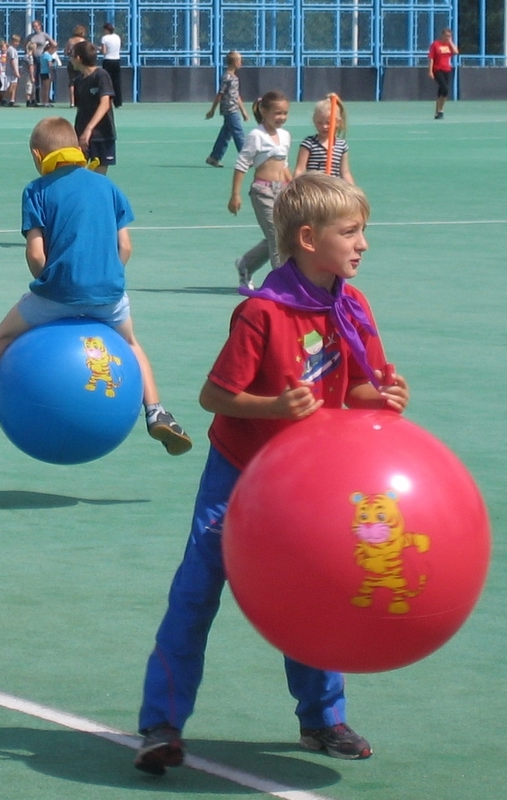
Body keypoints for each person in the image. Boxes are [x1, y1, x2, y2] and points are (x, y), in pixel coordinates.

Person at [134, 172, 410, 776]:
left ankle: (322, 720)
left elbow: (359, 387)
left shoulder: (351, 305)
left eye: (363, 231)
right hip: (237, 475)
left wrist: (381, 396)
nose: (362, 243)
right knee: (196, 593)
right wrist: (274, 408)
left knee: (315, 593)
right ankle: (162, 724)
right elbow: (213, 395)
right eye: (351, 232)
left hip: (309, 482)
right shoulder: (262, 313)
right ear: (308, 239)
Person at [0, 117, 192, 466]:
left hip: (56, 295)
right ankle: (157, 413)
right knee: (132, 344)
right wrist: (105, 277)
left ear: (37, 154)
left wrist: (53, 280)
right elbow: (126, 248)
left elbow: (35, 254)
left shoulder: (37, 190)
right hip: (109, 296)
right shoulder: (108, 187)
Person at [228, 90, 291, 290]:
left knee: (280, 235)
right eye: (277, 113)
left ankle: (246, 264)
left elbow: (284, 166)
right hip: (262, 191)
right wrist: (235, 194)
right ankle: (282, 284)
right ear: (264, 112)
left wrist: (295, 187)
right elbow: (242, 164)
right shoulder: (256, 135)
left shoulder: (285, 135)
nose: (281, 117)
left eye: (285, 113)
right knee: (276, 236)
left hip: (281, 192)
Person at [71, 41, 116, 174]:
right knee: (77, 175)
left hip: (102, 136)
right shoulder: (78, 81)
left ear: (78, 58)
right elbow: (81, 111)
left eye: (71, 56)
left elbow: (105, 103)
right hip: (82, 138)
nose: (70, 60)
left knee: (98, 179)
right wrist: (78, 134)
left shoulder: (101, 75)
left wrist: (89, 129)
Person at [293, 94, 354, 183]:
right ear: (314, 121)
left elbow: (345, 173)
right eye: (320, 123)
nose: (324, 126)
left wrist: (353, 191)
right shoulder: (309, 143)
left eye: (328, 123)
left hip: (333, 189)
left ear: (337, 122)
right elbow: (300, 169)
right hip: (315, 188)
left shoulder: (342, 145)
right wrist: (294, 187)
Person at [205, 50, 249, 167]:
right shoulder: (227, 77)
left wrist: (243, 111)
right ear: (234, 62)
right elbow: (220, 94)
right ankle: (246, 158)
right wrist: (212, 110)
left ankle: (214, 157)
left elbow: (236, 95)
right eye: (239, 60)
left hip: (234, 109)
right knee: (238, 133)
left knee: (225, 134)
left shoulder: (235, 78)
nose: (241, 63)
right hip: (229, 110)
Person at [428, 28, 459, 119]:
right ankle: (440, 110)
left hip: (447, 69)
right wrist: (430, 71)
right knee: (444, 88)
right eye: (446, 36)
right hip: (437, 69)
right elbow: (431, 58)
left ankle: (439, 111)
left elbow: (456, 52)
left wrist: (450, 42)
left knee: (443, 91)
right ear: (442, 35)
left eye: (449, 36)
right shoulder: (435, 44)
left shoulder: (449, 45)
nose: (448, 37)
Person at [25, 19, 56, 104]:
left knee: (44, 78)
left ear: (40, 26)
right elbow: (25, 44)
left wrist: (49, 51)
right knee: (34, 77)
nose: (35, 28)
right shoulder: (30, 36)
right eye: (33, 26)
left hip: (42, 58)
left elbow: (54, 44)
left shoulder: (44, 35)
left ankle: (46, 98)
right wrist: (28, 52)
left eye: (36, 26)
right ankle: (35, 98)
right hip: (33, 58)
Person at [100, 23, 122, 108]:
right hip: (117, 60)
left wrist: (98, 48)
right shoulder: (117, 37)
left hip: (108, 60)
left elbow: (104, 51)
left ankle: (107, 101)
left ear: (106, 30)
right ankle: (118, 102)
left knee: (106, 82)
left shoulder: (104, 38)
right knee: (117, 82)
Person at [64, 25, 86, 107]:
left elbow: (65, 52)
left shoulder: (70, 41)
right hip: (81, 62)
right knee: (82, 81)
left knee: (72, 82)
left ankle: (72, 102)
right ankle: (81, 100)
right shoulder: (83, 41)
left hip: (72, 62)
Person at [5, 34, 21, 106]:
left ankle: (12, 100)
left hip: (14, 71)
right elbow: (12, 60)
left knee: (14, 85)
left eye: (18, 42)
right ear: (12, 41)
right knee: (11, 86)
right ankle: (5, 99)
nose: (17, 43)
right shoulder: (11, 49)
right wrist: (15, 70)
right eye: (16, 41)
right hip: (11, 71)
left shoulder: (14, 50)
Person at [24, 41, 36, 107]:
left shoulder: (25, 55)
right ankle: (28, 101)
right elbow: (31, 66)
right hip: (29, 74)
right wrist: (32, 76)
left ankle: (32, 100)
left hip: (26, 73)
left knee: (30, 86)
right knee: (29, 86)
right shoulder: (30, 57)